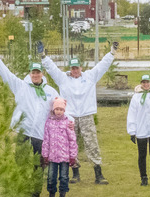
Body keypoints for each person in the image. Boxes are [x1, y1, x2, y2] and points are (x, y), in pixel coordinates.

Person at [0, 44, 59, 197]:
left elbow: (60, 109)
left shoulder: (51, 91)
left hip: (41, 135)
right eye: (33, 72)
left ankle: (35, 196)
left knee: (38, 167)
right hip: (23, 133)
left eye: (38, 72)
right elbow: (7, 75)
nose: (35, 75)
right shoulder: (21, 87)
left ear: (42, 73)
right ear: (30, 73)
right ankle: (17, 195)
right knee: (20, 165)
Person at [39, 41, 115, 184]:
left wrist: (111, 53)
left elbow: (102, 66)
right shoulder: (63, 79)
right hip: (70, 117)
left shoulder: (90, 77)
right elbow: (52, 69)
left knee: (92, 143)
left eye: (77, 68)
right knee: (70, 144)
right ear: (70, 68)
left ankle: (98, 173)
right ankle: (75, 173)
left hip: (86, 115)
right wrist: (43, 57)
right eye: (73, 68)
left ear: (81, 67)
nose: (75, 70)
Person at [41, 97, 78, 197]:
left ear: (64, 111)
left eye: (61, 109)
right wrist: (45, 155)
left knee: (64, 176)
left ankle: (62, 196)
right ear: (53, 110)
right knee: (51, 177)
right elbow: (46, 139)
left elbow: (72, 140)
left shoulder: (68, 123)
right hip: (52, 156)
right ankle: (51, 196)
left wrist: (72, 156)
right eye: (57, 109)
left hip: (64, 157)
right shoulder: (49, 123)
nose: (59, 112)